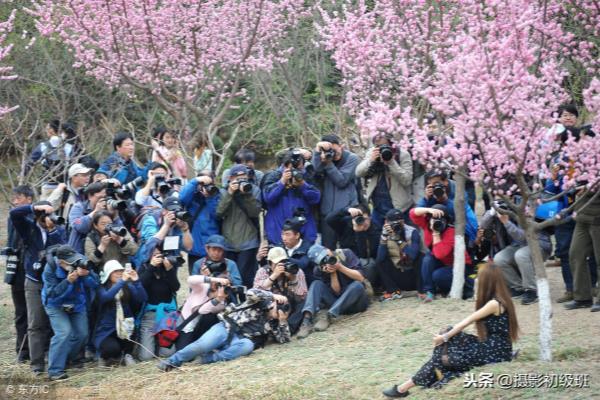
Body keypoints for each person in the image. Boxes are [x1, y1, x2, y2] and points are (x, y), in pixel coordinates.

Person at [382, 263, 519, 397]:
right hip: (491, 345)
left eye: (479, 277)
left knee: (444, 355)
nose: (476, 279)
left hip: (496, 351)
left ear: (487, 281)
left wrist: (444, 338)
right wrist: (446, 335)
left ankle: (403, 388)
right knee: (447, 335)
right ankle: (419, 381)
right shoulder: (498, 300)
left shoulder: (494, 303)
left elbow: (467, 321)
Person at [157, 288, 291, 371]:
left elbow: (284, 340)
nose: (279, 310)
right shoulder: (260, 302)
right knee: (202, 345)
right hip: (225, 327)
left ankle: (208, 359)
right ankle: (172, 361)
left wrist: (283, 320)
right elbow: (250, 292)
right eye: (278, 307)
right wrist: (271, 295)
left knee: (248, 346)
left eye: (284, 309)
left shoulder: (275, 323)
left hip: (238, 340)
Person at [10, 201, 67, 375]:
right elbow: (13, 214)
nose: (48, 218)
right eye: (45, 214)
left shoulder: (57, 229)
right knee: (35, 324)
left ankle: (54, 359)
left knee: (53, 322)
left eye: (50, 214)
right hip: (33, 280)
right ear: (37, 215)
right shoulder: (28, 228)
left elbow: (62, 250)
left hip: (52, 282)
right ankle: (36, 364)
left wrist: (52, 231)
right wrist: (34, 208)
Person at [42, 245, 99, 380]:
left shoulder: (81, 261)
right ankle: (55, 371)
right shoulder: (50, 268)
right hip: (55, 305)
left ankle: (65, 358)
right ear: (60, 261)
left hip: (76, 304)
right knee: (64, 332)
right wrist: (68, 282)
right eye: (70, 261)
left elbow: (96, 283)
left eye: (74, 259)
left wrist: (86, 275)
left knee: (82, 334)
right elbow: (52, 294)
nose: (74, 263)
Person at [297, 244, 369, 339]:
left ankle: (329, 316)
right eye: (322, 261)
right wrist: (333, 273)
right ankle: (306, 321)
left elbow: (360, 277)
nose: (327, 259)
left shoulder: (346, 253)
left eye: (326, 256)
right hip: (339, 304)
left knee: (357, 285)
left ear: (328, 250)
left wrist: (340, 267)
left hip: (356, 302)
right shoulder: (319, 270)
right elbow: (337, 292)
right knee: (316, 284)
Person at [410, 205, 473, 302]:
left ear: (446, 221)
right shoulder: (426, 225)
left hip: (460, 265)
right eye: (434, 219)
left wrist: (436, 233)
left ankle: (469, 286)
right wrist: (428, 210)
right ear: (429, 219)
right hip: (443, 263)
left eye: (441, 220)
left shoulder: (451, 232)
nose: (437, 222)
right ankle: (430, 292)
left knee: (438, 275)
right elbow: (412, 213)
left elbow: (440, 254)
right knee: (427, 259)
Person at [492, 210, 552, 305]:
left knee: (521, 255)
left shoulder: (528, 205)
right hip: (518, 245)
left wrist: (506, 222)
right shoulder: (509, 205)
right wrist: (492, 211)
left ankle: (531, 290)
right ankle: (518, 287)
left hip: (538, 244)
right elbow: (483, 225)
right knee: (499, 259)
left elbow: (521, 236)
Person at [94, 260, 147, 367]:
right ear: (108, 274)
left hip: (125, 326)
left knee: (129, 336)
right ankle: (104, 356)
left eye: (120, 271)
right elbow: (107, 297)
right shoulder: (101, 288)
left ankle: (127, 354)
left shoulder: (127, 287)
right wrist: (122, 281)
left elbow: (143, 298)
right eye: (115, 271)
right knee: (112, 349)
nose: (119, 273)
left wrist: (136, 281)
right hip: (107, 329)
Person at [262, 149, 321, 245]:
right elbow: (268, 198)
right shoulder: (273, 176)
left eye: (300, 168)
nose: (298, 171)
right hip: (278, 234)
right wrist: (282, 182)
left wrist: (302, 184)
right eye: (295, 169)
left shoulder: (307, 176)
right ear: (285, 165)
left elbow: (315, 199)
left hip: (305, 234)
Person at [217, 164, 262, 288]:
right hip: (228, 241)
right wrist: (230, 193)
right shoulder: (223, 191)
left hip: (248, 240)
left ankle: (247, 301)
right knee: (230, 276)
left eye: (244, 177)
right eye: (239, 178)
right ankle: (233, 302)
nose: (242, 180)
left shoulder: (254, 190)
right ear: (231, 178)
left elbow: (255, 212)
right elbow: (219, 213)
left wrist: (246, 195)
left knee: (246, 276)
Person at [311, 134, 360, 248]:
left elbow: (342, 181)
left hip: (346, 212)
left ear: (341, 146)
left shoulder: (351, 158)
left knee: (348, 249)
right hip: (327, 213)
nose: (333, 153)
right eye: (330, 150)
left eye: (335, 149)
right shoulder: (324, 158)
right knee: (328, 250)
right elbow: (315, 171)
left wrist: (328, 163)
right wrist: (317, 152)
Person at [355, 133, 414, 227]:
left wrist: (391, 162)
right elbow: (358, 172)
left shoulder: (402, 154)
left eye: (385, 146)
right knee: (378, 239)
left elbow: (407, 180)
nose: (381, 149)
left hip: (398, 207)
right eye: (378, 146)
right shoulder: (372, 152)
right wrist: (371, 160)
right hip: (377, 207)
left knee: (400, 238)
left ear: (391, 143)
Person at [5, 185, 35, 362]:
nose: (15, 201)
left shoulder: (36, 216)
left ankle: (37, 349)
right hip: (17, 269)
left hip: (32, 270)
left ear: (29, 199)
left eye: (19, 198)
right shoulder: (13, 216)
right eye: (14, 198)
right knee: (21, 313)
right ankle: (22, 351)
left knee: (36, 314)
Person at [136, 247, 181, 361]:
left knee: (168, 353)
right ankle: (152, 342)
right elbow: (140, 286)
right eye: (154, 255)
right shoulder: (144, 268)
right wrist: (151, 267)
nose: (158, 257)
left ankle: (158, 342)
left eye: (159, 254)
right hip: (150, 315)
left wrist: (170, 270)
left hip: (166, 315)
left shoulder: (167, 268)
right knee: (146, 357)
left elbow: (176, 287)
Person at [253, 247, 308, 334]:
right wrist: (274, 276)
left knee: (305, 302)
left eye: (283, 262)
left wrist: (292, 279)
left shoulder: (296, 270)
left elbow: (302, 295)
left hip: (291, 305)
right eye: (277, 263)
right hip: (272, 307)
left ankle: (289, 327)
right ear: (270, 263)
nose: (281, 265)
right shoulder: (262, 272)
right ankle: (273, 329)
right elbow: (256, 293)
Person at [564, 186, 600, 312]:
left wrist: (586, 187)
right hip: (582, 216)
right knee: (575, 255)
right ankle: (582, 297)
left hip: (597, 217)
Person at [325, 204, 381, 285]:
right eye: (359, 219)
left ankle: (366, 287)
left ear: (370, 218)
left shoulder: (375, 229)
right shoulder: (347, 224)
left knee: (369, 264)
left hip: (363, 264)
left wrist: (359, 233)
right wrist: (346, 210)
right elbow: (329, 219)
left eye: (364, 219)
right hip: (347, 262)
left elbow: (364, 254)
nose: (362, 222)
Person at [416, 170, 478, 242]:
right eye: (431, 185)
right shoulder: (431, 193)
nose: (434, 187)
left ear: (446, 181)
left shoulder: (458, 189)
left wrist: (445, 200)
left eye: (436, 184)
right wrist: (426, 199)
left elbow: (461, 212)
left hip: (463, 227)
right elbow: (417, 212)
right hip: (440, 228)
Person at [175, 273, 231, 350]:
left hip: (201, 328)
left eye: (226, 287)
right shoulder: (202, 287)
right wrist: (214, 279)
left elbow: (202, 311)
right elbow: (190, 279)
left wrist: (218, 299)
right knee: (181, 350)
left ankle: (200, 342)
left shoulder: (222, 302)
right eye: (220, 285)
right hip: (186, 323)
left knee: (210, 317)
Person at [376, 209, 422, 301]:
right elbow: (380, 259)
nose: (397, 224)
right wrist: (384, 237)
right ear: (386, 222)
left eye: (399, 220)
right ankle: (394, 291)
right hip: (397, 273)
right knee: (380, 262)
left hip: (411, 273)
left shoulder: (412, 231)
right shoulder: (385, 233)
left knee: (421, 257)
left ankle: (421, 290)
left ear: (403, 221)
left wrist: (398, 239)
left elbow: (412, 255)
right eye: (393, 221)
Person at [24, 119, 76, 199]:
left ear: (51, 130)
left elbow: (30, 161)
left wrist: (23, 173)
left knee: (45, 208)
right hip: (65, 185)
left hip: (48, 184)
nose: (46, 130)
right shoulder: (69, 146)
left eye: (47, 128)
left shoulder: (43, 146)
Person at [179, 172, 221, 271]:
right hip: (195, 247)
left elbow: (217, 215)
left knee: (214, 281)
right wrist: (195, 182)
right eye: (203, 184)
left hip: (214, 248)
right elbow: (181, 198)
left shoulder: (218, 196)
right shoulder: (192, 196)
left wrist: (210, 198)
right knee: (195, 281)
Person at [68, 182, 123, 253]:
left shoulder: (108, 209)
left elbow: (120, 231)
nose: (103, 200)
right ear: (90, 196)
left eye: (105, 197)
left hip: (104, 253)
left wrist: (114, 216)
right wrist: (95, 211)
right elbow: (78, 226)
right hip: (80, 252)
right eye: (100, 197)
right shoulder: (78, 207)